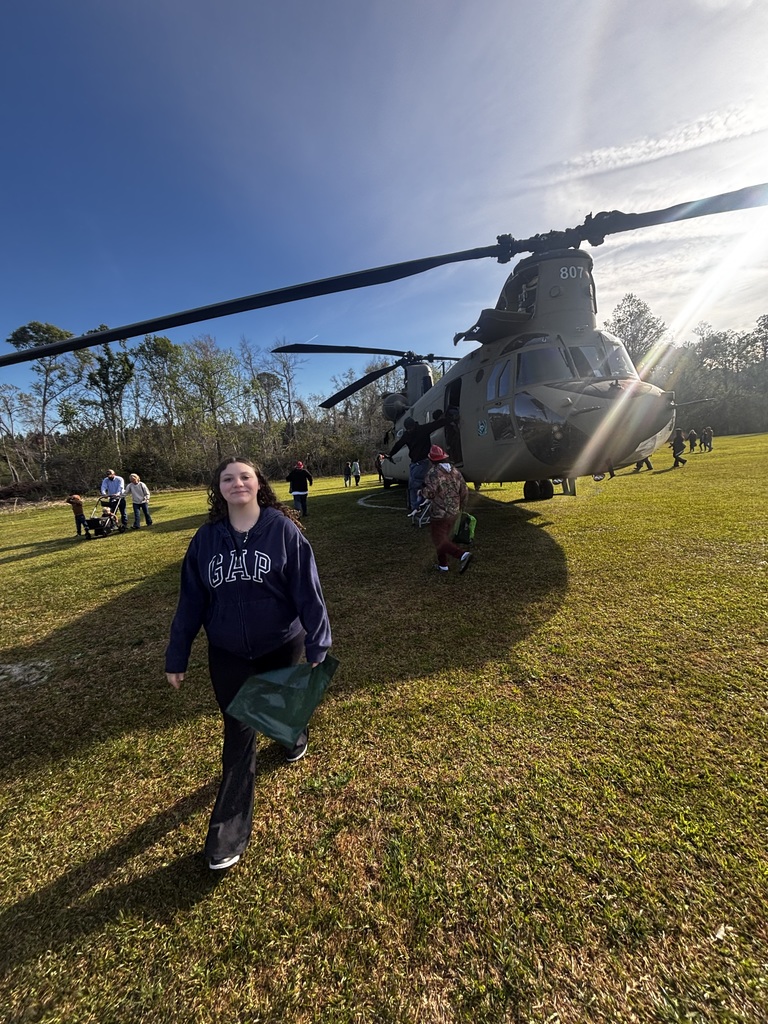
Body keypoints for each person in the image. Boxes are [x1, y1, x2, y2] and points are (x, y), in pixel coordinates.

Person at [165, 457, 331, 872]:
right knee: (238, 735)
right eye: (227, 478)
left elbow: (308, 590)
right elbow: (191, 602)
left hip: (280, 643)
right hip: (227, 652)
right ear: (218, 489)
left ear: (259, 485)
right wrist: (177, 654)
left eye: (245, 476)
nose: (237, 483)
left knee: (279, 705)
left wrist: (318, 640)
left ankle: (292, 735)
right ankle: (227, 835)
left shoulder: (282, 531)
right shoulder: (205, 540)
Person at [421, 444, 472, 573]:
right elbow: (464, 490)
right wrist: (462, 505)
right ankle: (443, 565)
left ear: (431, 459)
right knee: (443, 538)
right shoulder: (455, 471)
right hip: (454, 510)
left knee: (438, 539)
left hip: (440, 513)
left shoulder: (433, 473)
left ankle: (462, 555)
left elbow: (430, 492)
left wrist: (421, 493)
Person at [386, 416, 440, 512]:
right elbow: (399, 444)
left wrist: (447, 419)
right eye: (408, 429)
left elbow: (436, 425)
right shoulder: (407, 434)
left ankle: (417, 507)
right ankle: (418, 505)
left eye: (410, 428)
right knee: (417, 485)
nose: (409, 430)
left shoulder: (422, 429)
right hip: (415, 462)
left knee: (415, 486)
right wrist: (390, 454)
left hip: (422, 461)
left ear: (414, 425)